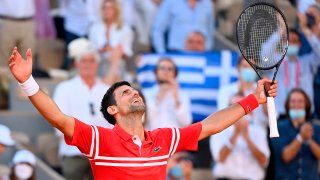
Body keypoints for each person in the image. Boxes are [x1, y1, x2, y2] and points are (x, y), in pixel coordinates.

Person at [8, 47, 277, 179]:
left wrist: (253, 99)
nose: (134, 93)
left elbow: (210, 125)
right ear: (113, 110)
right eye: (125, 93)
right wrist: (27, 81)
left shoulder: (163, 139)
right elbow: (58, 118)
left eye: (135, 90)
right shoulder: (98, 140)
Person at [53, 38, 114, 180]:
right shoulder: (64, 89)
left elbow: (114, 122)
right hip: (74, 152)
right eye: (84, 60)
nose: (88, 64)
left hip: (103, 153)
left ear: (97, 64)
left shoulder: (107, 90)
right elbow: (59, 121)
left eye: (91, 60)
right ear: (77, 63)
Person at [210, 94, 270, 180]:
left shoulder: (259, 132)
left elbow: (264, 161)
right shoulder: (218, 130)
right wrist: (235, 135)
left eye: (242, 106)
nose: (238, 112)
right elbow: (220, 158)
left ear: (251, 111)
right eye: (234, 107)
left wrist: (248, 139)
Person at [270, 88, 320, 179]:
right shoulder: (278, 127)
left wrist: (309, 140)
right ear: (288, 105)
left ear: (306, 104)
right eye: (293, 101)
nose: (296, 104)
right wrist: (300, 137)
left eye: (300, 101)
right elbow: (285, 156)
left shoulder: (315, 128)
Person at [143, 58, 192, 130]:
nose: (166, 72)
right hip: (152, 139)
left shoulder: (182, 95)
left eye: (170, 69)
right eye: (162, 68)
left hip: (175, 140)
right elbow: (145, 120)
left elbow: (186, 122)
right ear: (156, 72)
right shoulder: (145, 93)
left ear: (175, 74)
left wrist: (176, 98)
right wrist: (159, 96)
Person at [89, 0, 134, 79]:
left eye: (110, 8)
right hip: (99, 63)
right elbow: (91, 49)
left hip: (117, 64)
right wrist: (101, 50)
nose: (107, 11)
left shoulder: (125, 29)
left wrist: (114, 51)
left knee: (117, 56)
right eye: (105, 8)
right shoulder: (94, 28)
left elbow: (127, 52)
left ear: (116, 10)